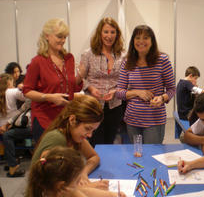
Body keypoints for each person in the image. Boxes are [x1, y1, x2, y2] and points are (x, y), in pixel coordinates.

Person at [23, 18, 83, 142]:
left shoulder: (69, 58)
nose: (63, 40)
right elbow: (27, 91)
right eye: (59, 36)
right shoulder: (38, 62)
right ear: (47, 36)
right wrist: (48, 97)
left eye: (65, 37)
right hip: (45, 119)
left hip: (66, 117)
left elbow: (73, 88)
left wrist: (81, 76)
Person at [116, 25, 176, 144]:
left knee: (152, 156)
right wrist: (137, 92)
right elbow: (119, 92)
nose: (141, 41)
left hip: (154, 119)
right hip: (132, 119)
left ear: (152, 41)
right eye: (137, 38)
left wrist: (162, 98)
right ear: (133, 41)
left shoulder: (162, 60)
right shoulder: (127, 62)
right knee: (137, 155)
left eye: (145, 38)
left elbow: (171, 89)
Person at [31, 94, 103, 187]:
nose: (90, 135)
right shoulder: (57, 138)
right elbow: (53, 187)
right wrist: (91, 189)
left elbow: (94, 157)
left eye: (93, 130)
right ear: (72, 120)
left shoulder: (75, 135)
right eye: (87, 128)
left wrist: (83, 173)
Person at [78, 17, 125, 145]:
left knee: (110, 142)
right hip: (93, 105)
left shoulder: (123, 55)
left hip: (114, 106)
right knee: (95, 142)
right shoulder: (88, 54)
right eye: (106, 32)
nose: (109, 36)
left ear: (117, 34)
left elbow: (127, 80)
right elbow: (80, 79)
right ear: (100, 33)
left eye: (112, 32)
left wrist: (116, 91)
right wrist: (91, 88)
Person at [26, 146, 126, 197]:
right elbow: (78, 191)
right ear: (61, 187)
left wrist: (112, 195)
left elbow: (78, 190)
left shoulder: (54, 189)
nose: (81, 183)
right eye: (78, 180)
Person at [0, 73, 29, 177]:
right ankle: (13, 164)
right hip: (13, 124)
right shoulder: (13, 91)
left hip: (3, 126)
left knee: (6, 137)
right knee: (9, 136)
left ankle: (11, 162)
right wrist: (20, 88)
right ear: (9, 82)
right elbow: (27, 97)